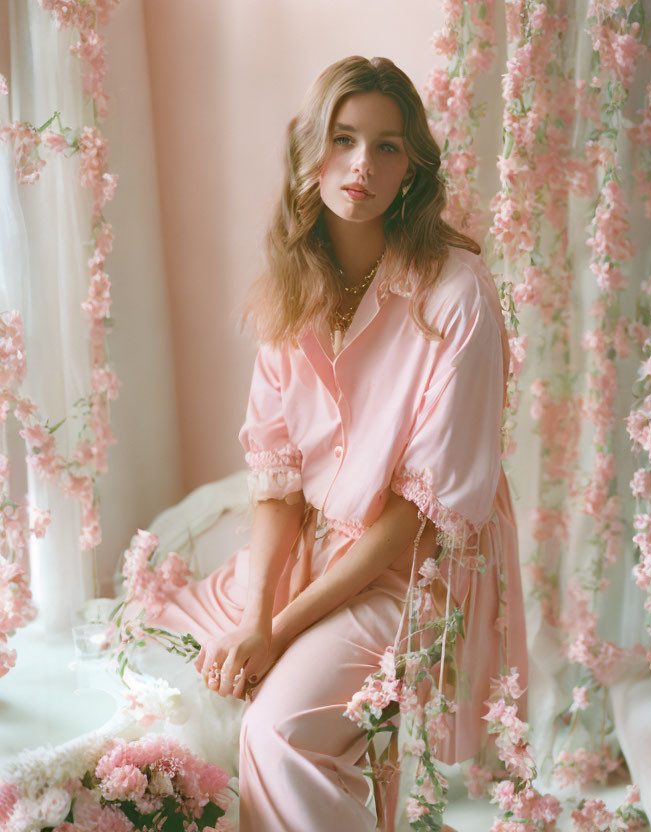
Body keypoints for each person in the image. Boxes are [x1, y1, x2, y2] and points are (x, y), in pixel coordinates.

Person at [137, 56, 528, 831]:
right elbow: (277, 485)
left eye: (387, 146)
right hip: (319, 552)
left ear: (413, 162)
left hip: (414, 571)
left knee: (277, 731)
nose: (362, 166)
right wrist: (256, 613)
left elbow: (417, 516)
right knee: (158, 657)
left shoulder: (457, 294)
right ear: (310, 150)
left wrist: (277, 632)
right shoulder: (291, 291)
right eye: (343, 139)